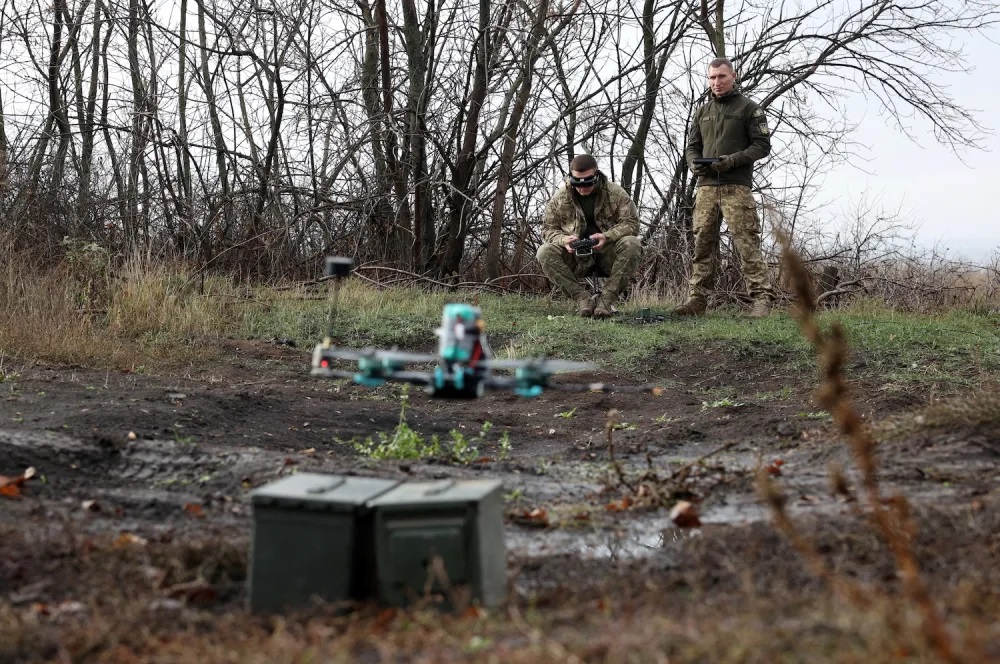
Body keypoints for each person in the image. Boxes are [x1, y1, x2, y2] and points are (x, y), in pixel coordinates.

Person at [676, 57, 776, 319]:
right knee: (702, 244)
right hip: (706, 187)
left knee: (746, 243)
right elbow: (691, 146)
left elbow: (762, 146)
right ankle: (697, 300)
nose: (716, 82)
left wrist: (732, 161)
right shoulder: (702, 111)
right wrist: (693, 164)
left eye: (721, 77)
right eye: (712, 78)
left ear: (733, 76)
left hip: (736, 186)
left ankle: (761, 300)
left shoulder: (749, 109)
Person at [536, 154, 643, 318]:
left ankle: (605, 302)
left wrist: (607, 236)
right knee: (544, 251)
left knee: (632, 243)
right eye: (576, 182)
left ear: (596, 175)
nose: (582, 187)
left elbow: (632, 223)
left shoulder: (615, 193)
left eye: (587, 182)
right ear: (570, 177)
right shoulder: (560, 197)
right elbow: (548, 229)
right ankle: (583, 300)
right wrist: (563, 240)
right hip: (576, 257)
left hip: (607, 254)